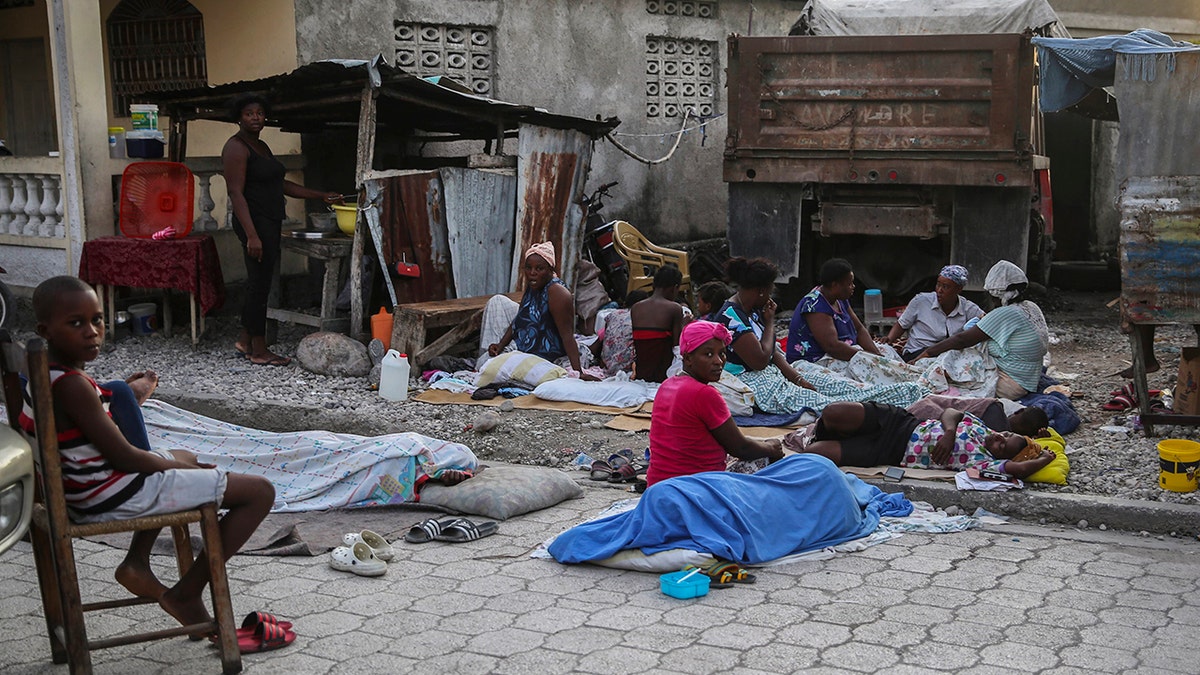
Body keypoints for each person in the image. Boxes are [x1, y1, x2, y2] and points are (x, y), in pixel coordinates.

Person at [25, 276, 276, 633]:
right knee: (259, 492)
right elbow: (127, 459)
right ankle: (187, 593)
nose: (92, 332)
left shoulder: (41, 373)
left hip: (82, 489)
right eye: (76, 323)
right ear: (45, 329)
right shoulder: (72, 385)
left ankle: (137, 562)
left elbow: (99, 431)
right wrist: (170, 468)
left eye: (97, 319)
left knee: (185, 456)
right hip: (105, 494)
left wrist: (176, 463)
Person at [223, 93, 342, 367]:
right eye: (249, 113)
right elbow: (235, 193)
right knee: (259, 286)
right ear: (239, 117)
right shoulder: (236, 147)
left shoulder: (261, 146)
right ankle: (259, 350)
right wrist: (252, 234)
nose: (255, 118)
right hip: (253, 222)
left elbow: (280, 184)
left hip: (269, 220)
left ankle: (244, 339)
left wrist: (320, 194)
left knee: (260, 282)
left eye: (260, 113)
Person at [646, 321, 784, 487]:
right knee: (771, 461)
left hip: (658, 487)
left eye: (722, 353)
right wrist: (771, 447)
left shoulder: (667, 385)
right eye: (709, 354)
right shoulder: (704, 394)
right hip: (695, 489)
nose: (719, 361)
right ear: (688, 358)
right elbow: (740, 448)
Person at [801, 401, 1057, 478]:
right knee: (833, 412)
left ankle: (838, 435)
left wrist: (1045, 458)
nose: (999, 438)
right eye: (1007, 435)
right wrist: (949, 433)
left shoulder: (984, 464)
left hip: (887, 451)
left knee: (814, 452)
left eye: (1003, 446)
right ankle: (837, 428)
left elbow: (1019, 470)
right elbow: (951, 412)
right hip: (899, 423)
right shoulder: (982, 428)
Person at [915, 260, 1049, 399]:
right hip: (1028, 380)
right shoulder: (1031, 306)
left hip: (1010, 384)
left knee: (955, 355)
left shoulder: (1007, 313)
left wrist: (927, 352)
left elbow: (962, 340)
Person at [484, 241, 596, 379]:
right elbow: (520, 318)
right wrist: (500, 345)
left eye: (539, 269)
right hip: (525, 344)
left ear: (550, 270)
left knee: (488, 369)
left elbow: (567, 335)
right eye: (528, 268)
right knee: (496, 301)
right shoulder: (534, 285)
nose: (532, 273)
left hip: (546, 355)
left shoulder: (558, 293)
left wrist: (578, 372)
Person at [716, 257, 816, 392]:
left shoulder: (753, 310)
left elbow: (771, 352)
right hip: (748, 381)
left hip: (769, 374)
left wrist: (799, 379)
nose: (772, 293)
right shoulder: (730, 317)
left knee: (832, 386)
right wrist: (769, 322)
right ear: (762, 290)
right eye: (771, 288)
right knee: (826, 405)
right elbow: (760, 360)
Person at [787, 258, 882, 363]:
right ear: (835, 285)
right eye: (849, 284)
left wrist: (876, 355)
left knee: (887, 353)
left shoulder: (839, 299)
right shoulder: (815, 306)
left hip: (843, 351)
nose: (853, 287)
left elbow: (859, 329)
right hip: (817, 359)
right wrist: (868, 357)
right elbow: (832, 346)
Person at [885, 265, 985, 361]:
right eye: (938, 284)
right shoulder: (921, 301)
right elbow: (902, 324)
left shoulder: (968, 308)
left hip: (947, 355)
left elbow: (985, 321)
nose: (939, 290)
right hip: (917, 353)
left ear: (958, 289)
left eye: (945, 287)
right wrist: (889, 339)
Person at [630, 266, 685, 383]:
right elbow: (677, 346)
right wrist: (685, 326)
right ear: (675, 288)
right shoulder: (674, 308)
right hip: (662, 373)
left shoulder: (636, 307)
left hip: (642, 372)